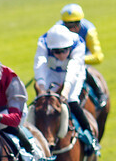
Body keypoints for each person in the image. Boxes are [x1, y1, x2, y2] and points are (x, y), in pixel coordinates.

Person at [34, 24, 99, 154]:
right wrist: (41, 87)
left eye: (65, 50)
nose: (62, 54)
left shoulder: (78, 43)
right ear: (51, 49)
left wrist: (66, 88)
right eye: (57, 52)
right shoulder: (43, 42)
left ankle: (90, 136)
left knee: (72, 100)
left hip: (73, 74)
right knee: (43, 102)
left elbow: (74, 68)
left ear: (70, 47)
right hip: (51, 72)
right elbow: (40, 64)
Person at [59, 3, 106, 108]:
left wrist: (78, 59)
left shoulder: (89, 30)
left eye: (74, 26)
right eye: (67, 26)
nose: (71, 29)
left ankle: (100, 93)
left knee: (82, 69)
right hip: (62, 58)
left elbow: (98, 57)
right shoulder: (58, 29)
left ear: (80, 22)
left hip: (82, 56)